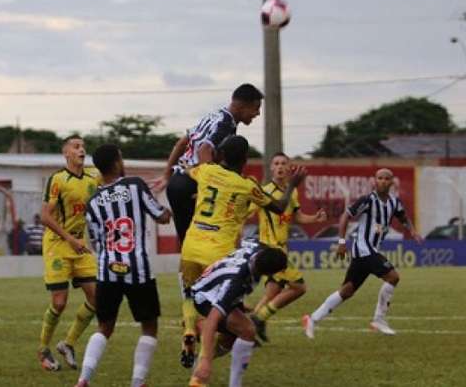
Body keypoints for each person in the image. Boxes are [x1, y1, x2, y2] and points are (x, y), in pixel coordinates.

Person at [178, 136, 306, 368]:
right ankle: (203, 359)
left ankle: (189, 330)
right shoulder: (247, 185)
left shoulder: (206, 172)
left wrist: (204, 143)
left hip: (190, 248)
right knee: (230, 322)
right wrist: (293, 185)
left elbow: (194, 163)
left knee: (190, 293)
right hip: (218, 255)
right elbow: (278, 206)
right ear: (245, 160)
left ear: (222, 155)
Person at [74, 144, 171, 387]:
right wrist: (167, 208)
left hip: (107, 269)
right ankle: (138, 382)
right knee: (149, 326)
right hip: (138, 268)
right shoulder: (135, 185)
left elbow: (96, 241)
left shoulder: (93, 201)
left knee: (104, 326)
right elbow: (161, 216)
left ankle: (84, 378)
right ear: (117, 162)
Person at [303, 168, 422, 338]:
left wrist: (413, 231)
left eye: (386, 178)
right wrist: (342, 242)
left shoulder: (394, 203)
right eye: (379, 178)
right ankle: (379, 319)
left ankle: (312, 319)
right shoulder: (367, 200)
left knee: (347, 291)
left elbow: (403, 217)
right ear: (375, 181)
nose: (382, 181)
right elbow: (345, 216)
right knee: (393, 277)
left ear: (391, 182)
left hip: (367, 252)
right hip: (364, 249)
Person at [152, 84, 264, 246]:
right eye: (255, 108)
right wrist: (206, 186)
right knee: (207, 241)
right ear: (240, 107)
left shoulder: (214, 116)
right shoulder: (226, 124)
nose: (257, 113)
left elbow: (182, 142)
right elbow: (204, 150)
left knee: (188, 244)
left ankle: (187, 271)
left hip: (178, 182)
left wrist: (167, 174)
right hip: (192, 184)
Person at [249, 152, 327, 342]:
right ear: (271, 168)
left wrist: (314, 218)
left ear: (289, 167)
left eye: (284, 163)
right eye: (276, 163)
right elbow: (245, 211)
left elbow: (296, 217)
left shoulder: (291, 192)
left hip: (282, 249)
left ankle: (249, 332)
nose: (280, 166)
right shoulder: (264, 192)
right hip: (270, 250)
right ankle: (259, 318)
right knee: (299, 287)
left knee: (273, 292)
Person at [37, 135, 100, 372]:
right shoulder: (58, 179)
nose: (81, 149)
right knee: (60, 302)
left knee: (97, 298)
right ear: (66, 153)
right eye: (76, 146)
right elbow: (45, 217)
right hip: (57, 245)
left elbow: (115, 174)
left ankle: (68, 343)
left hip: (79, 245)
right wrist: (70, 239)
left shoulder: (94, 176)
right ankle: (43, 349)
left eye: (83, 146)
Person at [188, 242, 288, 387]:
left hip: (217, 287)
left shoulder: (259, 248)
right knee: (247, 331)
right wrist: (206, 362)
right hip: (205, 297)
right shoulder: (236, 282)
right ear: (268, 274)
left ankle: (198, 360)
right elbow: (212, 320)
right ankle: (202, 351)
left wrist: (237, 304)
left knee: (231, 339)